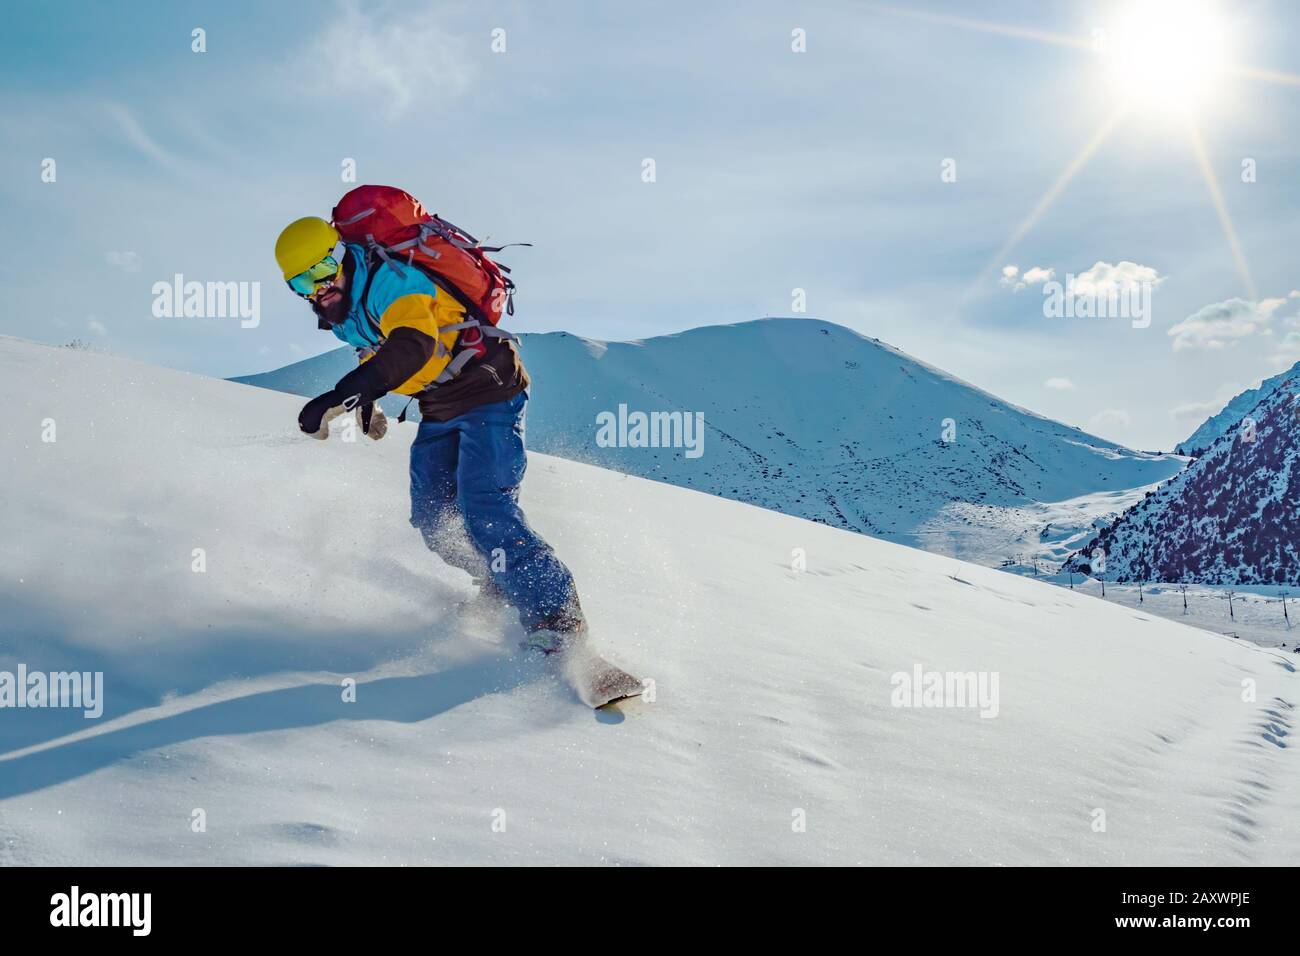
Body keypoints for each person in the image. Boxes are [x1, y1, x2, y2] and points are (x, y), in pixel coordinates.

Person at [273, 213, 587, 652]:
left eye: (322, 271)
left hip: (489, 389)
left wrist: (340, 397)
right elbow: (374, 348)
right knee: (434, 519)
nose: (318, 288)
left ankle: (557, 618)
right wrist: (369, 398)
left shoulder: (390, 282)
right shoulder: (343, 310)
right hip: (439, 406)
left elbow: (412, 344)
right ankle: (497, 581)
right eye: (302, 284)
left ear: (342, 257)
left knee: (485, 508)